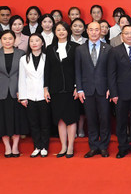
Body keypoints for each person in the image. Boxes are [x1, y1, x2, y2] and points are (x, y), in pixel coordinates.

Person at [75, 21, 113, 158]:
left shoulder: (108, 48)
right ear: (87, 31)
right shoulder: (80, 49)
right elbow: (78, 71)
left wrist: (111, 88)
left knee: (104, 119)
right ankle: (93, 146)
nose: (94, 32)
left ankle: (103, 146)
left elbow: (111, 71)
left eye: (97, 29)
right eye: (91, 30)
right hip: (87, 90)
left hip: (104, 90)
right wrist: (79, 89)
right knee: (91, 119)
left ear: (101, 31)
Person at [108, 25, 131, 158]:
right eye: (126, 33)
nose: (130, 36)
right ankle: (122, 147)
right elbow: (111, 74)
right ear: (121, 35)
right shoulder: (115, 51)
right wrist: (113, 93)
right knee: (121, 122)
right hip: (121, 93)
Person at [0, 30, 26, 157]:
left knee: (16, 119)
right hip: (1, 92)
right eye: (5, 39)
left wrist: (22, 92)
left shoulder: (21, 53)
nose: (7, 41)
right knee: (2, 120)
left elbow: (24, 75)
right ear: (1, 40)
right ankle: (7, 147)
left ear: (14, 40)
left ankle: (15, 146)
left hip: (16, 92)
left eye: (10, 38)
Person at [45, 21, 79, 158]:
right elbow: (47, 69)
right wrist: (46, 87)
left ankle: (70, 146)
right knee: (59, 119)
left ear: (68, 31)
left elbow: (78, 68)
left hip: (71, 89)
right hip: (55, 88)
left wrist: (78, 86)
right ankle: (63, 146)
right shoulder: (49, 48)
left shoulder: (76, 47)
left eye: (63, 30)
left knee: (71, 119)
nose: (61, 32)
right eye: (58, 30)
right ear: (55, 32)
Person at [18, 34, 51, 157]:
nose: (34, 43)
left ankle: (44, 146)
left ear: (42, 43)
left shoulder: (47, 58)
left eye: (37, 40)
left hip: (44, 95)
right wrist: (23, 96)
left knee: (45, 122)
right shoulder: (23, 59)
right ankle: (37, 146)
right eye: (31, 41)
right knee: (33, 122)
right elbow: (22, 78)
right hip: (30, 95)